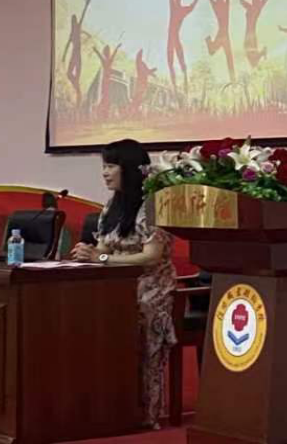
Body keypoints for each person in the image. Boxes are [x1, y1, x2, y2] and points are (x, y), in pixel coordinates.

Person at [70, 139, 176, 430]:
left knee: (133, 316)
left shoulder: (153, 204)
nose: (104, 173)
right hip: (117, 284)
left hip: (151, 287)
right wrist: (88, 253)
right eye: (103, 166)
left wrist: (102, 258)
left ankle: (146, 410)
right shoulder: (112, 205)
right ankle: (110, 405)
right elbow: (103, 247)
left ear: (128, 169)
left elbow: (152, 256)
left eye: (110, 166)